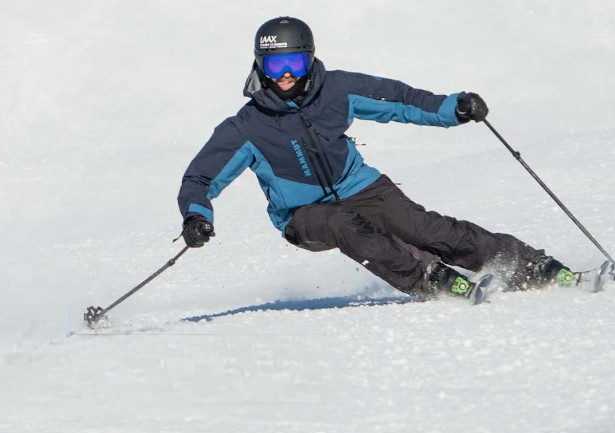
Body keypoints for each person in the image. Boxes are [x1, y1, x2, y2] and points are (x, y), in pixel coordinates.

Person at [176, 16, 579, 301]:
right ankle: (428, 278)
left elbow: (399, 100)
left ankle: (530, 266)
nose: (285, 74)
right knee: (344, 224)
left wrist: (451, 108)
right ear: (259, 66)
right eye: (275, 65)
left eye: (294, 63)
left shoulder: (336, 89)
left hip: (362, 187)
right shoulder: (246, 126)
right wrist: (197, 217)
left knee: (429, 229)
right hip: (304, 215)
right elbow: (201, 179)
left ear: (309, 59)